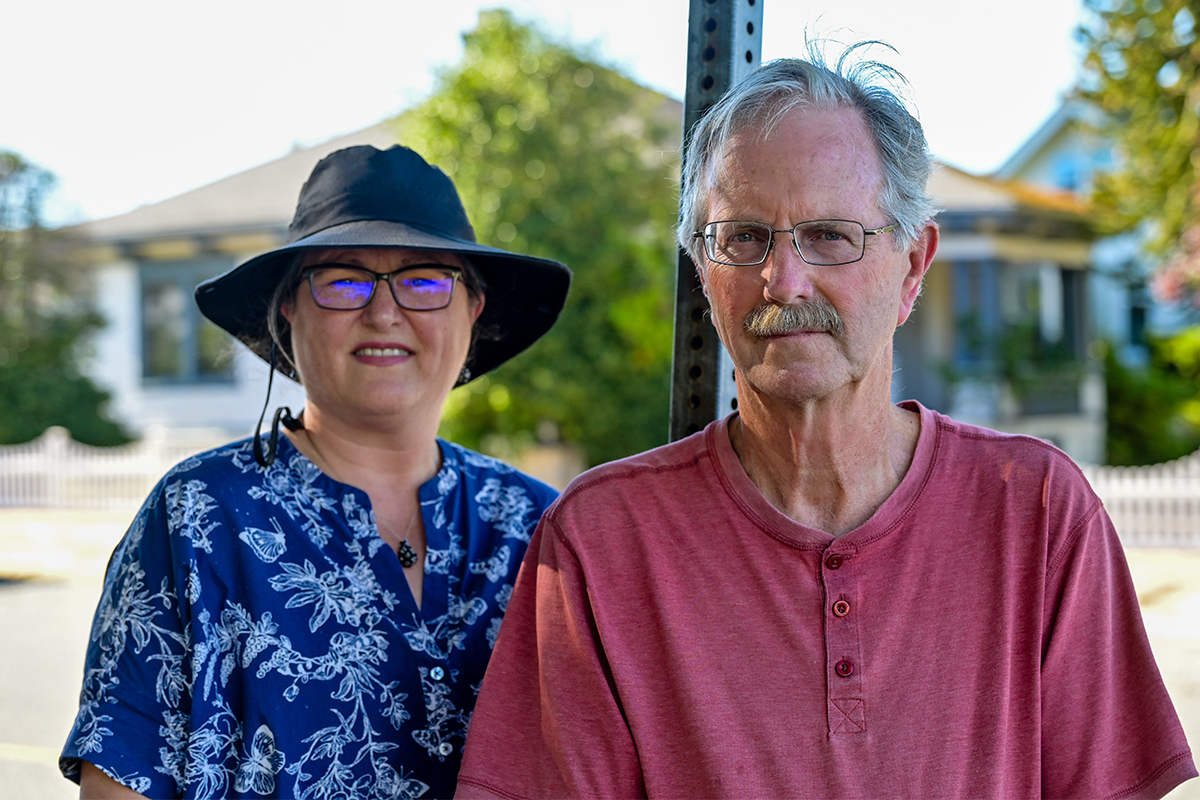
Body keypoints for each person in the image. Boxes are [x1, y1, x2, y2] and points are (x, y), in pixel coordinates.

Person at [455, 47, 1198, 799]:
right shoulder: (601, 542)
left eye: (831, 235)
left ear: (913, 266)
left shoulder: (1037, 513)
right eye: (743, 238)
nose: (784, 281)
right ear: (702, 271)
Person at [59, 144, 571, 799]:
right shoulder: (199, 517)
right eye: (343, 281)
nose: (383, 313)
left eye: (424, 281)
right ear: (288, 311)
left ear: (472, 310)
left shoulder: (539, 528)